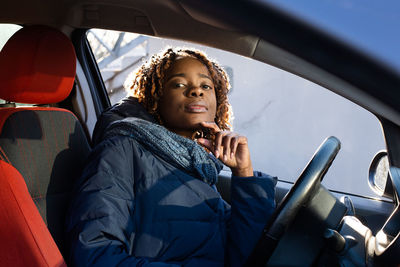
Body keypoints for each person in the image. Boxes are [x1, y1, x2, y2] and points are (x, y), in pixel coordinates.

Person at [66, 48, 277, 267]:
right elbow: (94, 254)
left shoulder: (198, 163)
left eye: (206, 85)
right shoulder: (121, 150)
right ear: (155, 97)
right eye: (179, 84)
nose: (197, 91)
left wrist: (244, 174)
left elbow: (246, 256)